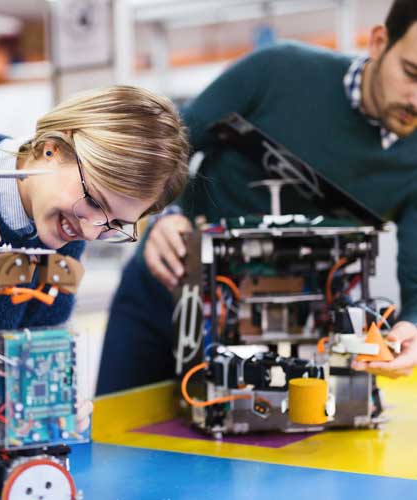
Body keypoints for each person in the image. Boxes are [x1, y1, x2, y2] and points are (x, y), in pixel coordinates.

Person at [96, 0, 417, 396]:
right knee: (115, 440)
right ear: (379, 42)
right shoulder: (277, 71)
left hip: (288, 336)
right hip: (168, 290)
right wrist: (164, 216)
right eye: (412, 73)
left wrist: (412, 329)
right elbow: (171, 147)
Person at [0, 85, 189, 436]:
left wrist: (47, 407)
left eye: (116, 225)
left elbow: (17, 373)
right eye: (94, 201)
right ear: (52, 148)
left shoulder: (64, 232)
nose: (91, 232)